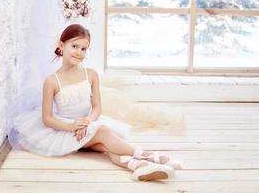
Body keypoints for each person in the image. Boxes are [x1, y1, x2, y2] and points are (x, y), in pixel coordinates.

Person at [12, 24, 180, 181]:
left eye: (83, 48)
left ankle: (138, 165)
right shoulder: (51, 81)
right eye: (74, 46)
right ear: (62, 46)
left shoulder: (91, 74)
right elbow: (47, 119)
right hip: (66, 130)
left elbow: (97, 107)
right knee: (103, 131)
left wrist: (87, 122)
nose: (79, 52)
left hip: (89, 122)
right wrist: (73, 126)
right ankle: (148, 155)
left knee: (106, 145)